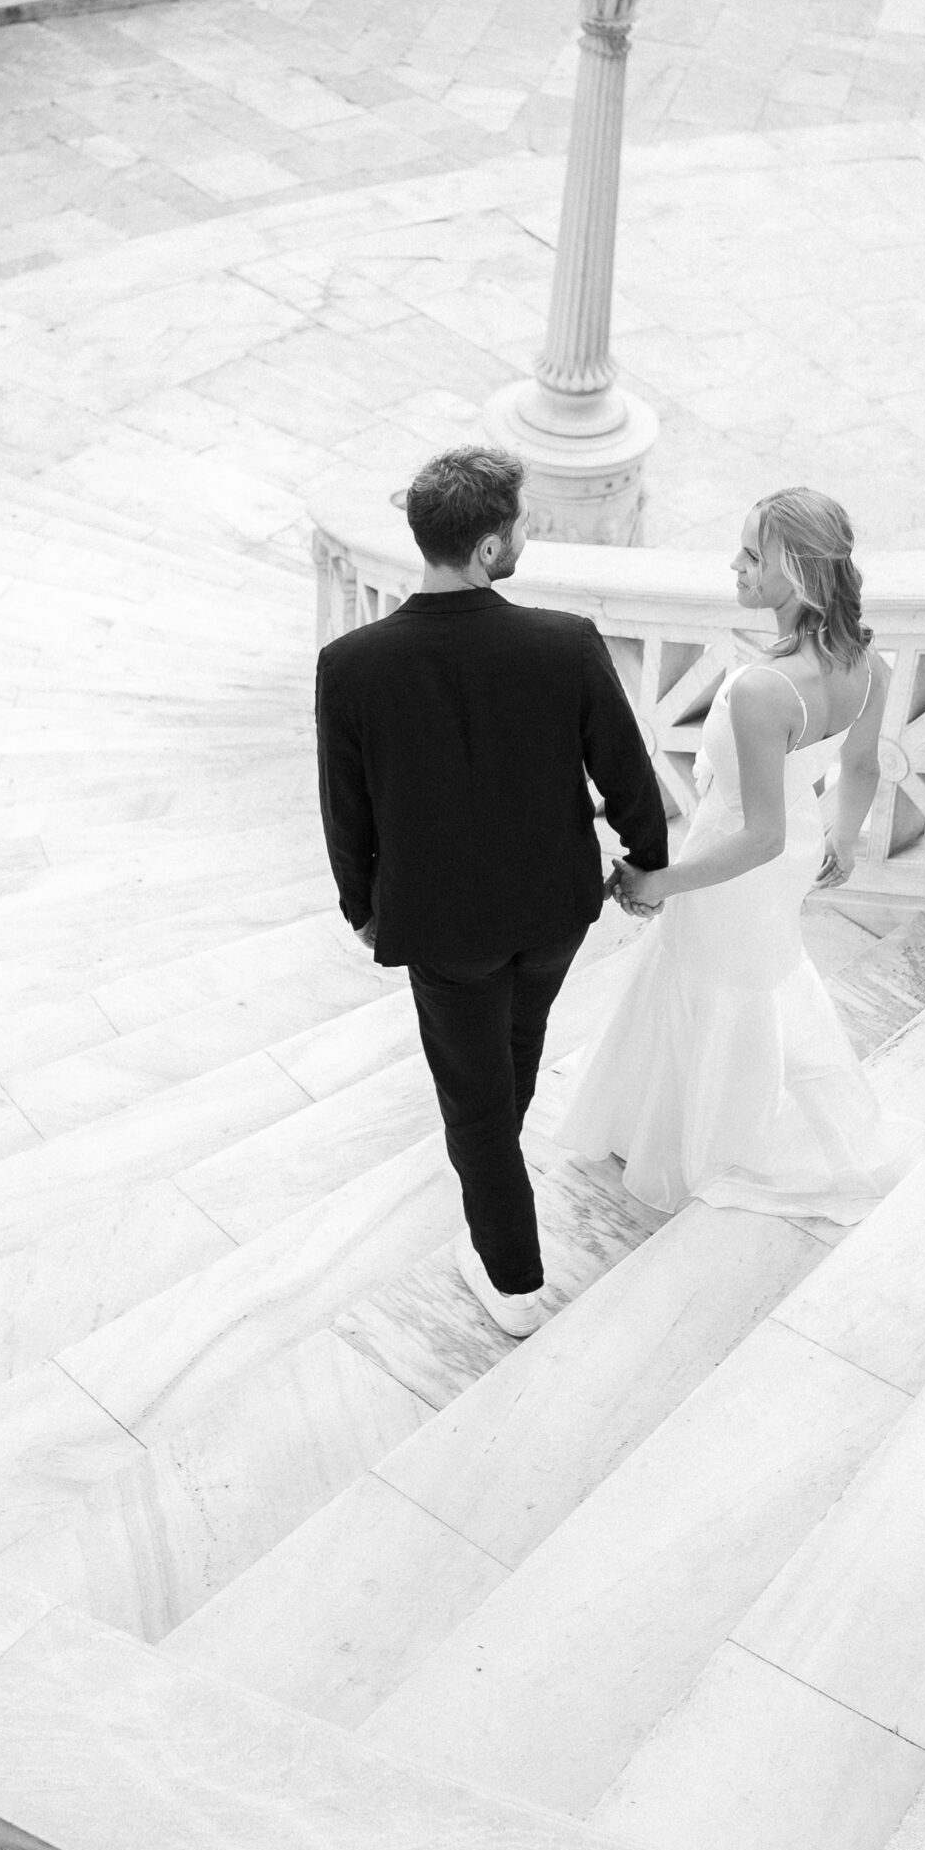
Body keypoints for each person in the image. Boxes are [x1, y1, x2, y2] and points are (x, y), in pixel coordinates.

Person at [315, 446, 669, 1337]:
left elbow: (344, 809)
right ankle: (499, 1208)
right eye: (516, 525)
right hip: (553, 908)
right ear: (483, 548)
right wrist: (646, 865)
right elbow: (629, 777)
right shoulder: (563, 642)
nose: (527, 536)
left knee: (475, 1094)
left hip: (441, 925)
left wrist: (361, 907)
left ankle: (509, 1277)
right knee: (509, 1051)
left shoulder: (351, 665)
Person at [558, 485, 925, 1220]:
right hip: (786, 847)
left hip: (737, 859)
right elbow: (858, 767)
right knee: (748, 977)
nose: (735, 565)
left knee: (710, 978)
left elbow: (755, 836)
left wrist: (659, 880)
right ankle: (679, 1118)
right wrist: (842, 839)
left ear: (793, 569)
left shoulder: (764, 689)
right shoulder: (863, 660)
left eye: (751, 555)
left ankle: (697, 1138)